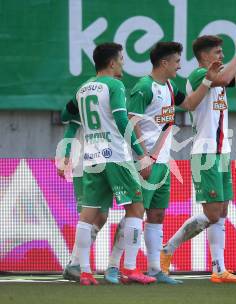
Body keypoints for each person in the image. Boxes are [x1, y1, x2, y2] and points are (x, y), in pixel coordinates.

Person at [104, 41, 221, 284]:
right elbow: (130, 123)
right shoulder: (144, 87)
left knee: (156, 215)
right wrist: (143, 157)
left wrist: (208, 81)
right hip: (144, 162)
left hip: (163, 162)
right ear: (164, 63)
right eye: (177, 61)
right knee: (134, 214)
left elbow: (189, 104)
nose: (180, 65)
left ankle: (154, 268)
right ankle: (114, 266)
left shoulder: (169, 86)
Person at [161, 32, 236, 283]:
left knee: (222, 210)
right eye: (218, 52)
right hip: (204, 153)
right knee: (212, 213)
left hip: (222, 151)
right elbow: (227, 75)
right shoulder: (199, 75)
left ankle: (219, 270)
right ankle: (167, 250)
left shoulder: (218, 77)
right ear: (205, 56)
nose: (222, 55)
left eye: (223, 52)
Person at [64, 42, 155, 285]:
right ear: (112, 62)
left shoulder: (82, 89)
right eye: (122, 59)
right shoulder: (114, 85)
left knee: (88, 215)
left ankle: (84, 271)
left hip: (92, 158)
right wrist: (140, 153)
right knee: (136, 209)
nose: (124, 63)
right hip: (115, 155)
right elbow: (122, 118)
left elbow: (68, 116)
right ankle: (131, 269)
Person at [57, 102, 109, 282]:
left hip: (103, 165)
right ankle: (75, 264)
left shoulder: (109, 104)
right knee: (87, 215)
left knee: (102, 217)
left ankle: (75, 262)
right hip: (83, 167)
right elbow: (70, 129)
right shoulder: (84, 106)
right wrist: (64, 157)